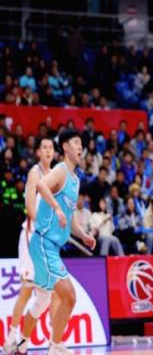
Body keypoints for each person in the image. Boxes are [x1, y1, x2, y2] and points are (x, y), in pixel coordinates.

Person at [15, 130, 96, 355]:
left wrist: (83, 235)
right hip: (42, 243)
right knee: (69, 295)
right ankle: (55, 346)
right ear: (65, 147)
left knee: (42, 302)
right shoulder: (60, 170)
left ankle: (22, 344)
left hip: (52, 247)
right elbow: (41, 185)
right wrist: (57, 208)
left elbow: (70, 219)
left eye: (81, 144)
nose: (80, 147)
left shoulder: (75, 180)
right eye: (76, 143)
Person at [3, 138, 60, 354]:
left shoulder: (56, 177)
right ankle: (10, 338)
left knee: (48, 296)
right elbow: (29, 206)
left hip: (46, 241)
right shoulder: (35, 173)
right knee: (27, 290)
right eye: (44, 147)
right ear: (38, 152)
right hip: (31, 237)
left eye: (50, 148)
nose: (47, 151)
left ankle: (31, 343)